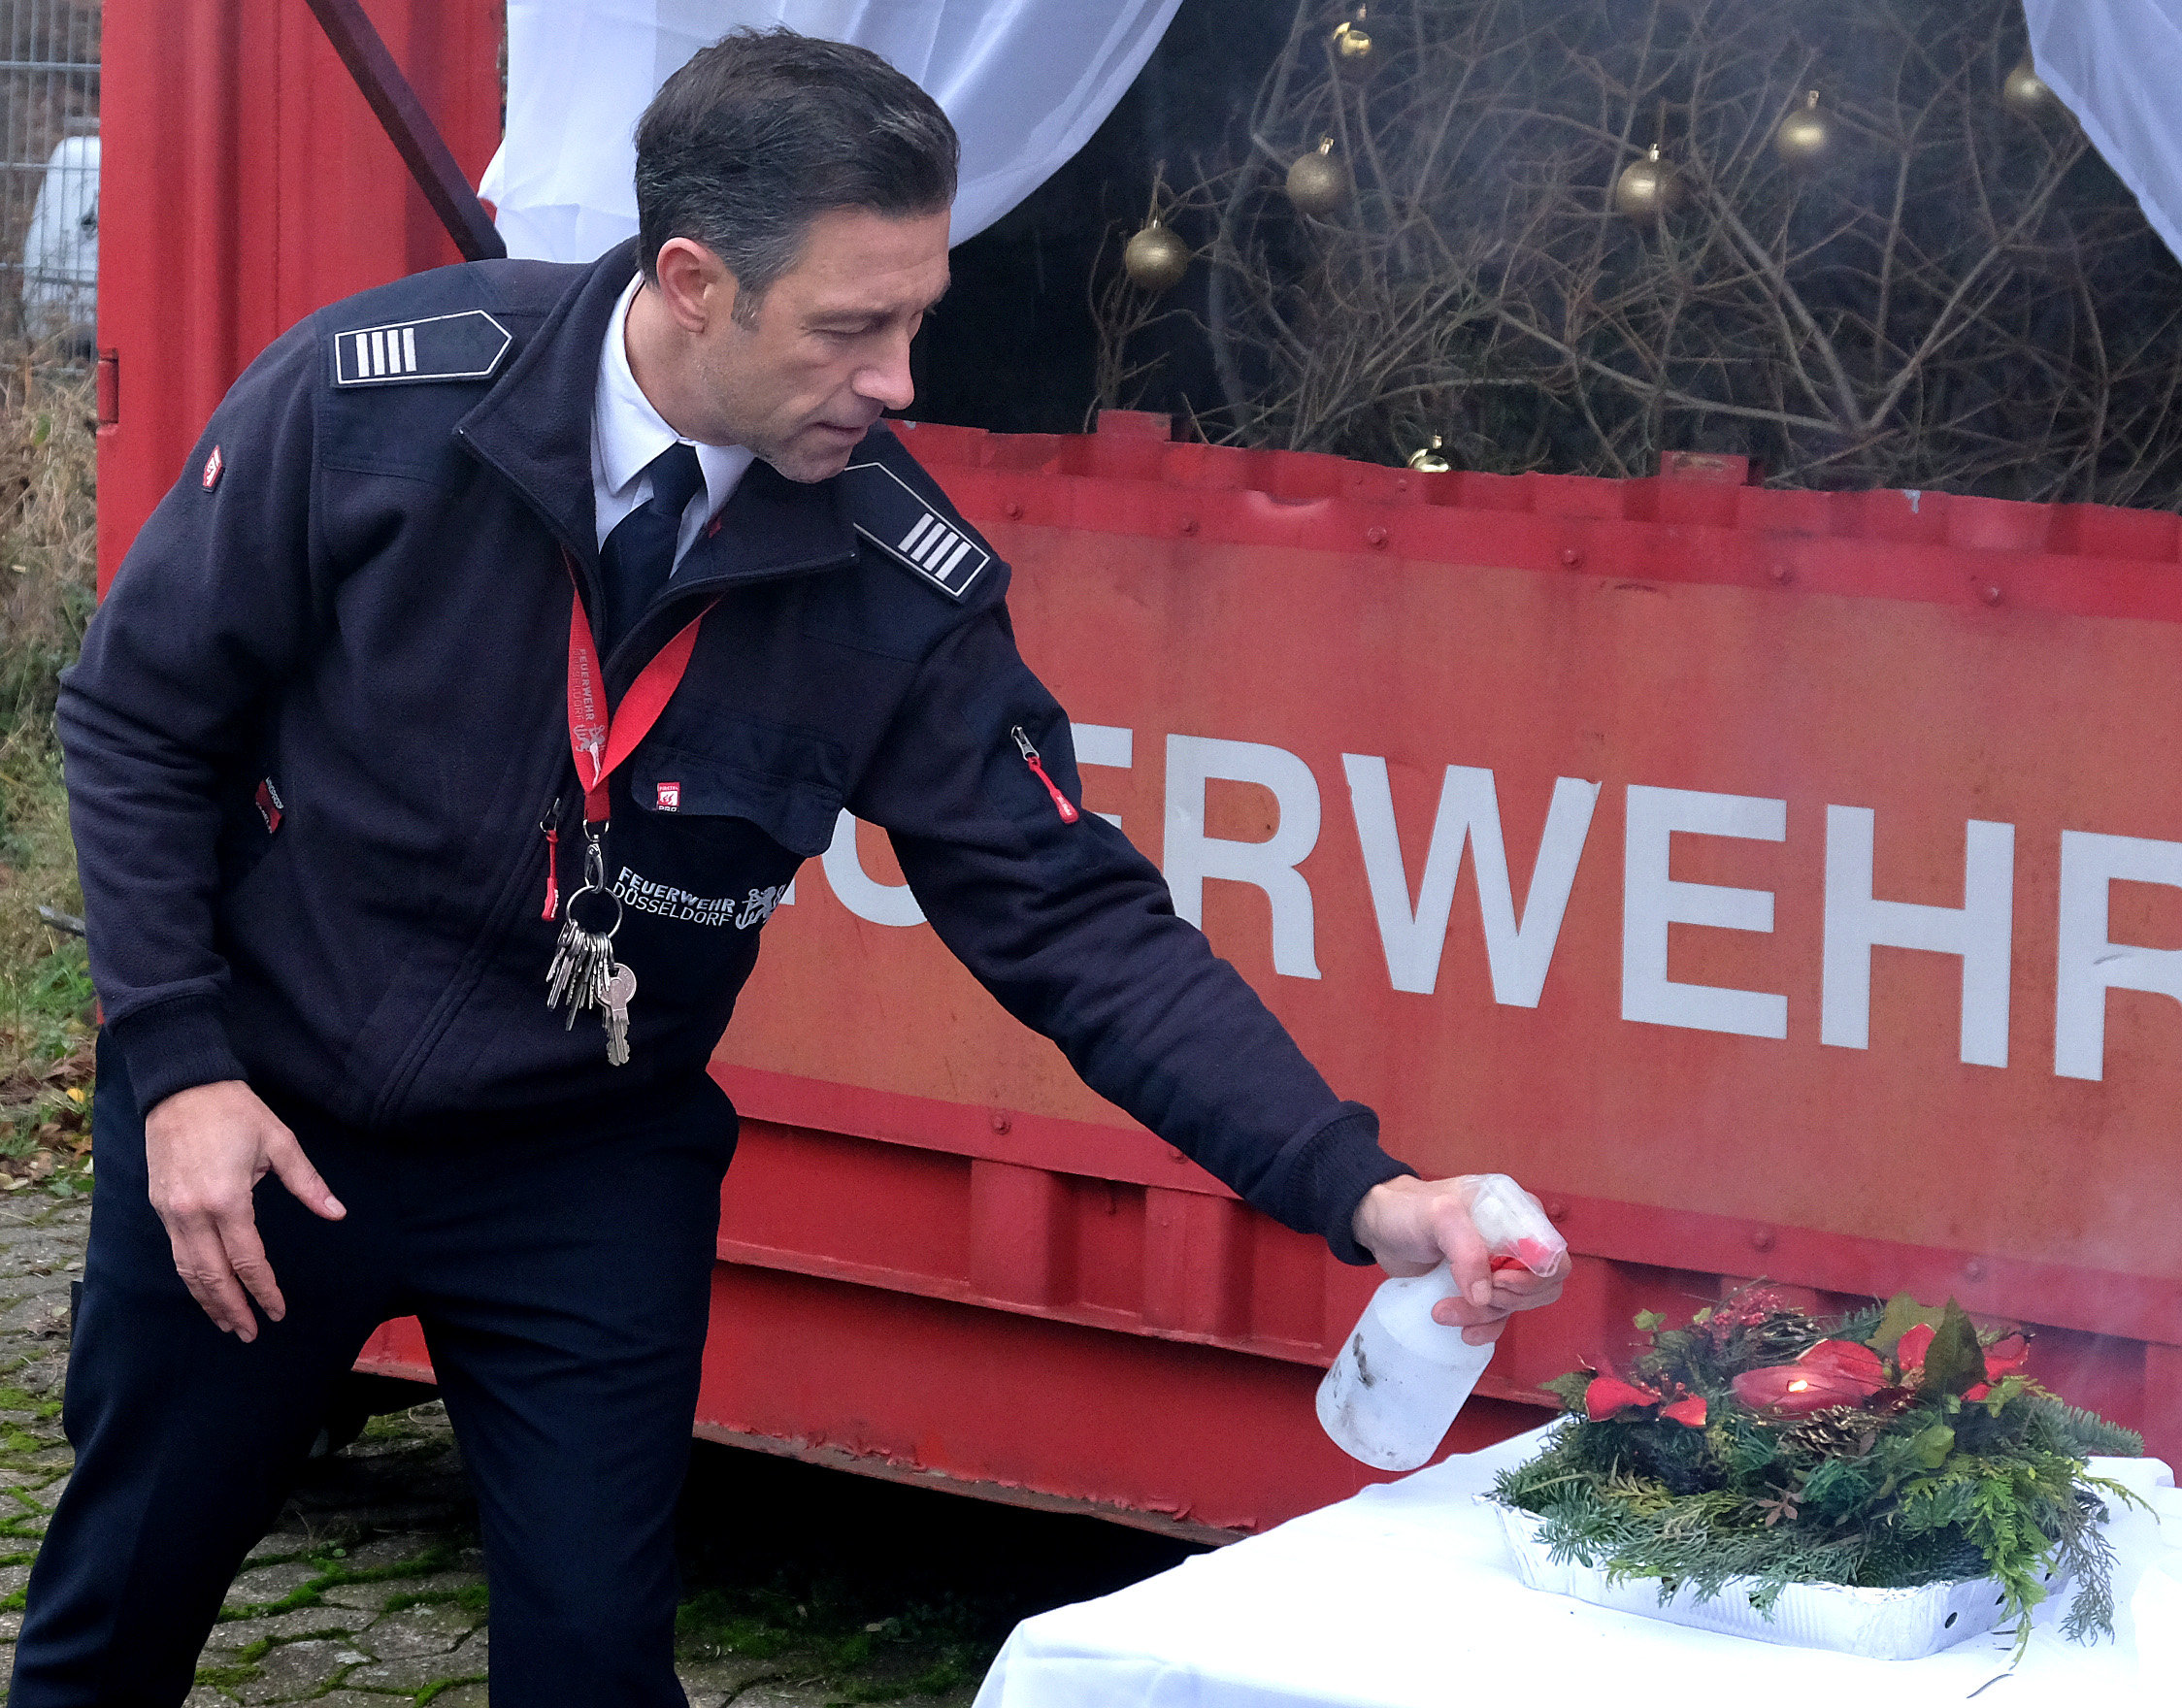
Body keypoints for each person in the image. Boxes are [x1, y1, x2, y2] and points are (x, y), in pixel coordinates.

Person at [17, 28, 1566, 1708]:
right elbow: (136, 719)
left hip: (582, 1166)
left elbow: (1075, 921)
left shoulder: (899, 581)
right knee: (118, 1620)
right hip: (263, 1125)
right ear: (693, 282)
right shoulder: (373, 400)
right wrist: (177, 1068)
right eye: (852, 327)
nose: (900, 380)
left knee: (602, 1666)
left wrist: (1362, 1190)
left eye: (919, 316)